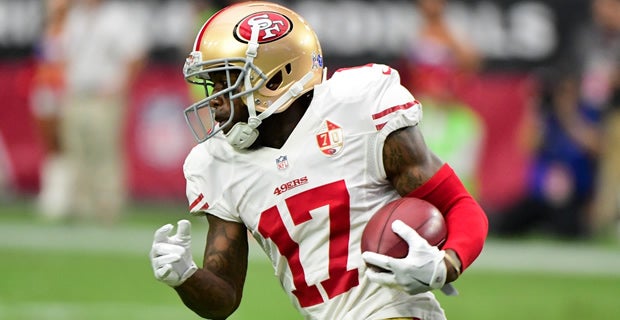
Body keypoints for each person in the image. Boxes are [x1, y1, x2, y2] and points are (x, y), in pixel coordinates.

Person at [149, 2, 488, 320]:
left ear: (274, 78)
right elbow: (224, 297)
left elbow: (459, 204)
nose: (215, 103)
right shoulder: (219, 162)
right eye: (213, 85)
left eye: (228, 84)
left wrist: (445, 263)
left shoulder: (357, 108)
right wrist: (185, 277)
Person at [60, 0, 148, 224]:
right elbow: (63, 53)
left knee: (104, 153)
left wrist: (119, 87)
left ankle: (107, 210)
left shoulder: (119, 17)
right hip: (77, 93)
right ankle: (81, 209)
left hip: (103, 96)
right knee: (77, 151)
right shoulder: (75, 16)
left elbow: (135, 55)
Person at [30, 0, 71, 220]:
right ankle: (52, 194)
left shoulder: (72, 30)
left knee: (64, 144)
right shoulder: (47, 30)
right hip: (46, 89)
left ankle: (65, 196)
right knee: (50, 147)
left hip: (64, 92)